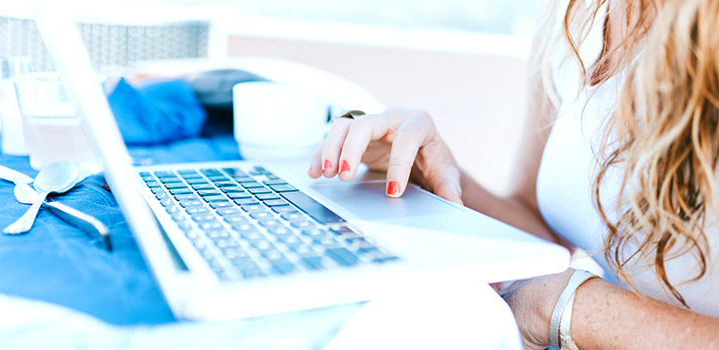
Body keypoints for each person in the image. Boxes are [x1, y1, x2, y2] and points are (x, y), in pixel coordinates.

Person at [308, 0, 719, 348]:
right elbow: (539, 226)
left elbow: (551, 291)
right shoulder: (574, 17)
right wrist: (434, 174)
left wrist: (570, 306)